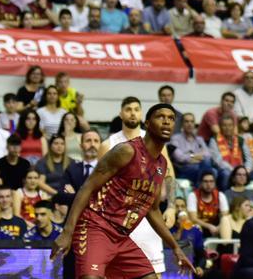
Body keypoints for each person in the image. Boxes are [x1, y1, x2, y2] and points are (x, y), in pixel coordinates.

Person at [50, 104, 196, 277]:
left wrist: (175, 248)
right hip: (95, 227)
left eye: (171, 118)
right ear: (147, 124)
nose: (167, 122)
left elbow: (153, 209)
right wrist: (67, 232)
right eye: (161, 117)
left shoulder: (161, 165)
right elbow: (87, 187)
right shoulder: (126, 150)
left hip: (122, 236)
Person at [97, 97, 177, 277]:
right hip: (116, 218)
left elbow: (170, 176)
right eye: (128, 109)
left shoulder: (156, 141)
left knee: (154, 272)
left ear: (142, 115)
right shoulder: (108, 144)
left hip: (146, 215)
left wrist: (171, 207)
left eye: (136, 109)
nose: (132, 113)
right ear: (121, 114)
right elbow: (98, 185)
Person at [170, 113, 213, 184]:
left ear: (194, 124)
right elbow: (180, 158)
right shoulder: (175, 139)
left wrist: (191, 157)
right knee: (202, 168)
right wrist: (194, 156)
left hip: (199, 165)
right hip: (183, 168)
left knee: (213, 170)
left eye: (192, 121)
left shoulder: (199, 139)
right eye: (186, 121)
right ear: (182, 124)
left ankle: (200, 189)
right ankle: (200, 190)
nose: (189, 124)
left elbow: (208, 155)